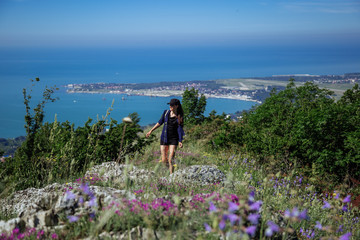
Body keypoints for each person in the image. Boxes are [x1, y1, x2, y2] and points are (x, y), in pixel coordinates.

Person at [146, 98, 185, 174]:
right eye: (170, 105)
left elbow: (180, 129)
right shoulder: (166, 113)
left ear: (177, 106)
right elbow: (160, 122)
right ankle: (169, 171)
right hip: (164, 138)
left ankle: (171, 176)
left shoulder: (179, 117)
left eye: (172, 105)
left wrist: (180, 140)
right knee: (164, 160)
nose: (170, 106)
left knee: (171, 159)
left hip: (173, 139)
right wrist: (151, 130)